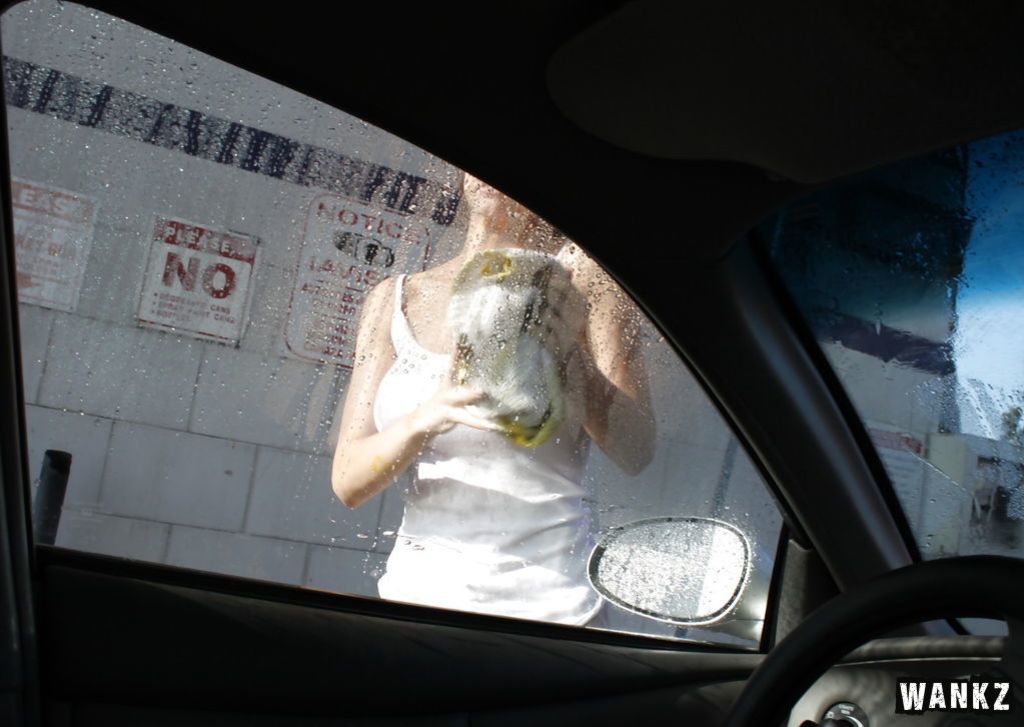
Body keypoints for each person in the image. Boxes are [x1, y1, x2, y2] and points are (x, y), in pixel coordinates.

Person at [331, 173, 655, 625]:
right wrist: (425, 418)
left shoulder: (583, 278)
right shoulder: (394, 298)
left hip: (551, 615)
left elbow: (636, 449)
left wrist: (569, 358)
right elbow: (348, 480)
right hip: (413, 602)